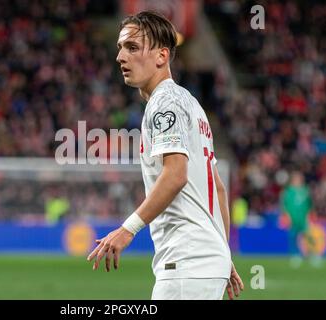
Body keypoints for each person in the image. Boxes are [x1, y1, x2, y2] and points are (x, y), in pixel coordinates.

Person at [87, 11, 243, 300]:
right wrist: (221, 250)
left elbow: (175, 175)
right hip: (205, 260)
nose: (121, 57)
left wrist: (127, 229)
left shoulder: (165, 104)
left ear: (162, 56)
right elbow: (217, 188)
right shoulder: (191, 103)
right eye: (120, 48)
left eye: (132, 47)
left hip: (186, 263)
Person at [280, 170, 316, 268]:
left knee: (308, 236)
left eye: (299, 178)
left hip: (303, 219)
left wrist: (309, 215)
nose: (298, 180)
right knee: (293, 237)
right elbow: (285, 205)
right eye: (296, 178)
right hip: (293, 219)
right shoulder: (288, 191)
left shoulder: (305, 190)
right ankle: (295, 256)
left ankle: (312, 255)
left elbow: (309, 205)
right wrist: (287, 216)